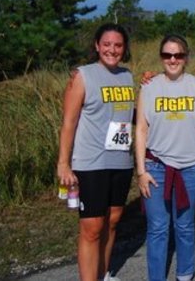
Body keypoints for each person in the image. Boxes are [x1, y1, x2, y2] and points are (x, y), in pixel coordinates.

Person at [56, 23, 135, 281]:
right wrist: (63, 164)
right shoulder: (82, 75)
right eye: (107, 44)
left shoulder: (127, 76)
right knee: (92, 228)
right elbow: (69, 122)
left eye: (118, 45)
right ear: (97, 46)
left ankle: (103, 274)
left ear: (124, 48)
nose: (112, 49)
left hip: (121, 160)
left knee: (112, 222)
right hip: (90, 163)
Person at [135, 34, 195, 281]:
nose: (172, 59)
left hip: (191, 167)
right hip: (157, 167)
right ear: (161, 57)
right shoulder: (149, 87)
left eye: (178, 55)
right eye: (167, 55)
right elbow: (141, 129)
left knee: (185, 226)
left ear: (186, 57)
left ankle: (185, 274)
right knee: (157, 228)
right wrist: (141, 171)